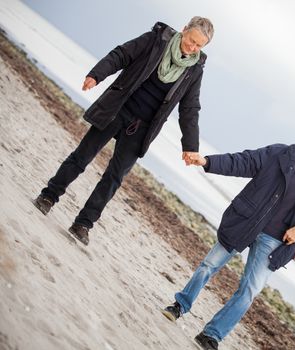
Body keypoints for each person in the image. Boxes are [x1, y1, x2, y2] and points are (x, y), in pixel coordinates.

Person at [33, 17, 214, 245]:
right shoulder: (156, 40)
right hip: (117, 109)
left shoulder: (194, 70)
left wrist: (190, 147)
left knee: (114, 178)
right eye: (191, 40)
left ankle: (83, 224)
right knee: (82, 157)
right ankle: (48, 196)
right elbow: (122, 54)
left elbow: (189, 109)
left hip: (142, 128)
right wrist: (96, 74)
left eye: (199, 45)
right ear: (185, 29)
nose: (192, 48)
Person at [162, 123, 295, 350]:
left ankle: (211, 335)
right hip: (245, 223)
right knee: (209, 265)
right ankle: (179, 306)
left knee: (249, 292)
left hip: (276, 243)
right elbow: (243, 161)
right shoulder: (280, 154)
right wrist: (207, 161)